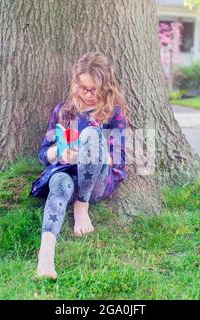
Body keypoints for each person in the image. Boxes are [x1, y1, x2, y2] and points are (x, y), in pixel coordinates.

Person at [30, 52, 128, 280]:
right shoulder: (64, 111)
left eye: (93, 89)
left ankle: (81, 207)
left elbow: (118, 157)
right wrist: (62, 153)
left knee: (91, 134)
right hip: (66, 174)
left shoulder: (113, 113)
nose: (88, 94)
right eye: (82, 88)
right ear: (75, 84)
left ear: (105, 86)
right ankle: (46, 252)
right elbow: (45, 153)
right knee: (60, 182)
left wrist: (87, 154)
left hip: (96, 183)